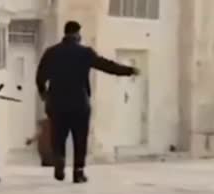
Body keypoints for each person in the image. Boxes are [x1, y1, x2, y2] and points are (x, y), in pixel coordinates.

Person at [36, 21, 139, 184]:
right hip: (79, 102)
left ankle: (59, 160)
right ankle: (78, 172)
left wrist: (44, 94)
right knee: (80, 138)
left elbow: (40, 76)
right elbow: (106, 65)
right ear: (77, 34)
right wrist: (128, 70)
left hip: (57, 102)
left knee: (58, 135)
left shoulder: (51, 52)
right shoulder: (85, 53)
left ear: (65, 33)